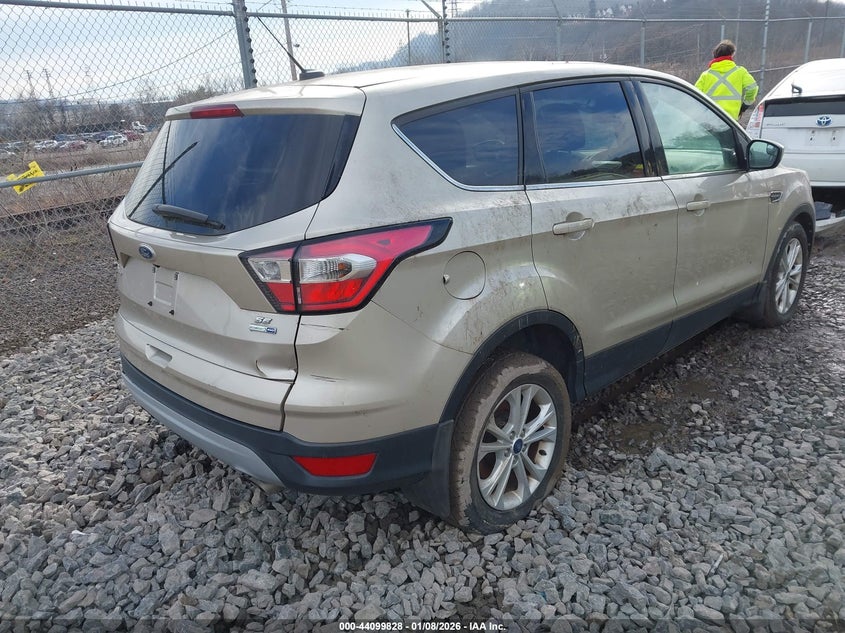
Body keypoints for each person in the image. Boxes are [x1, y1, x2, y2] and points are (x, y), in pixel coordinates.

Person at [695, 40, 758, 120]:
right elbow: (753, 88)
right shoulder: (740, 72)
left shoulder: (706, 75)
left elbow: (695, 97)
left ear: (715, 55)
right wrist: (744, 106)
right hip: (730, 120)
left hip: (709, 120)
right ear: (732, 55)